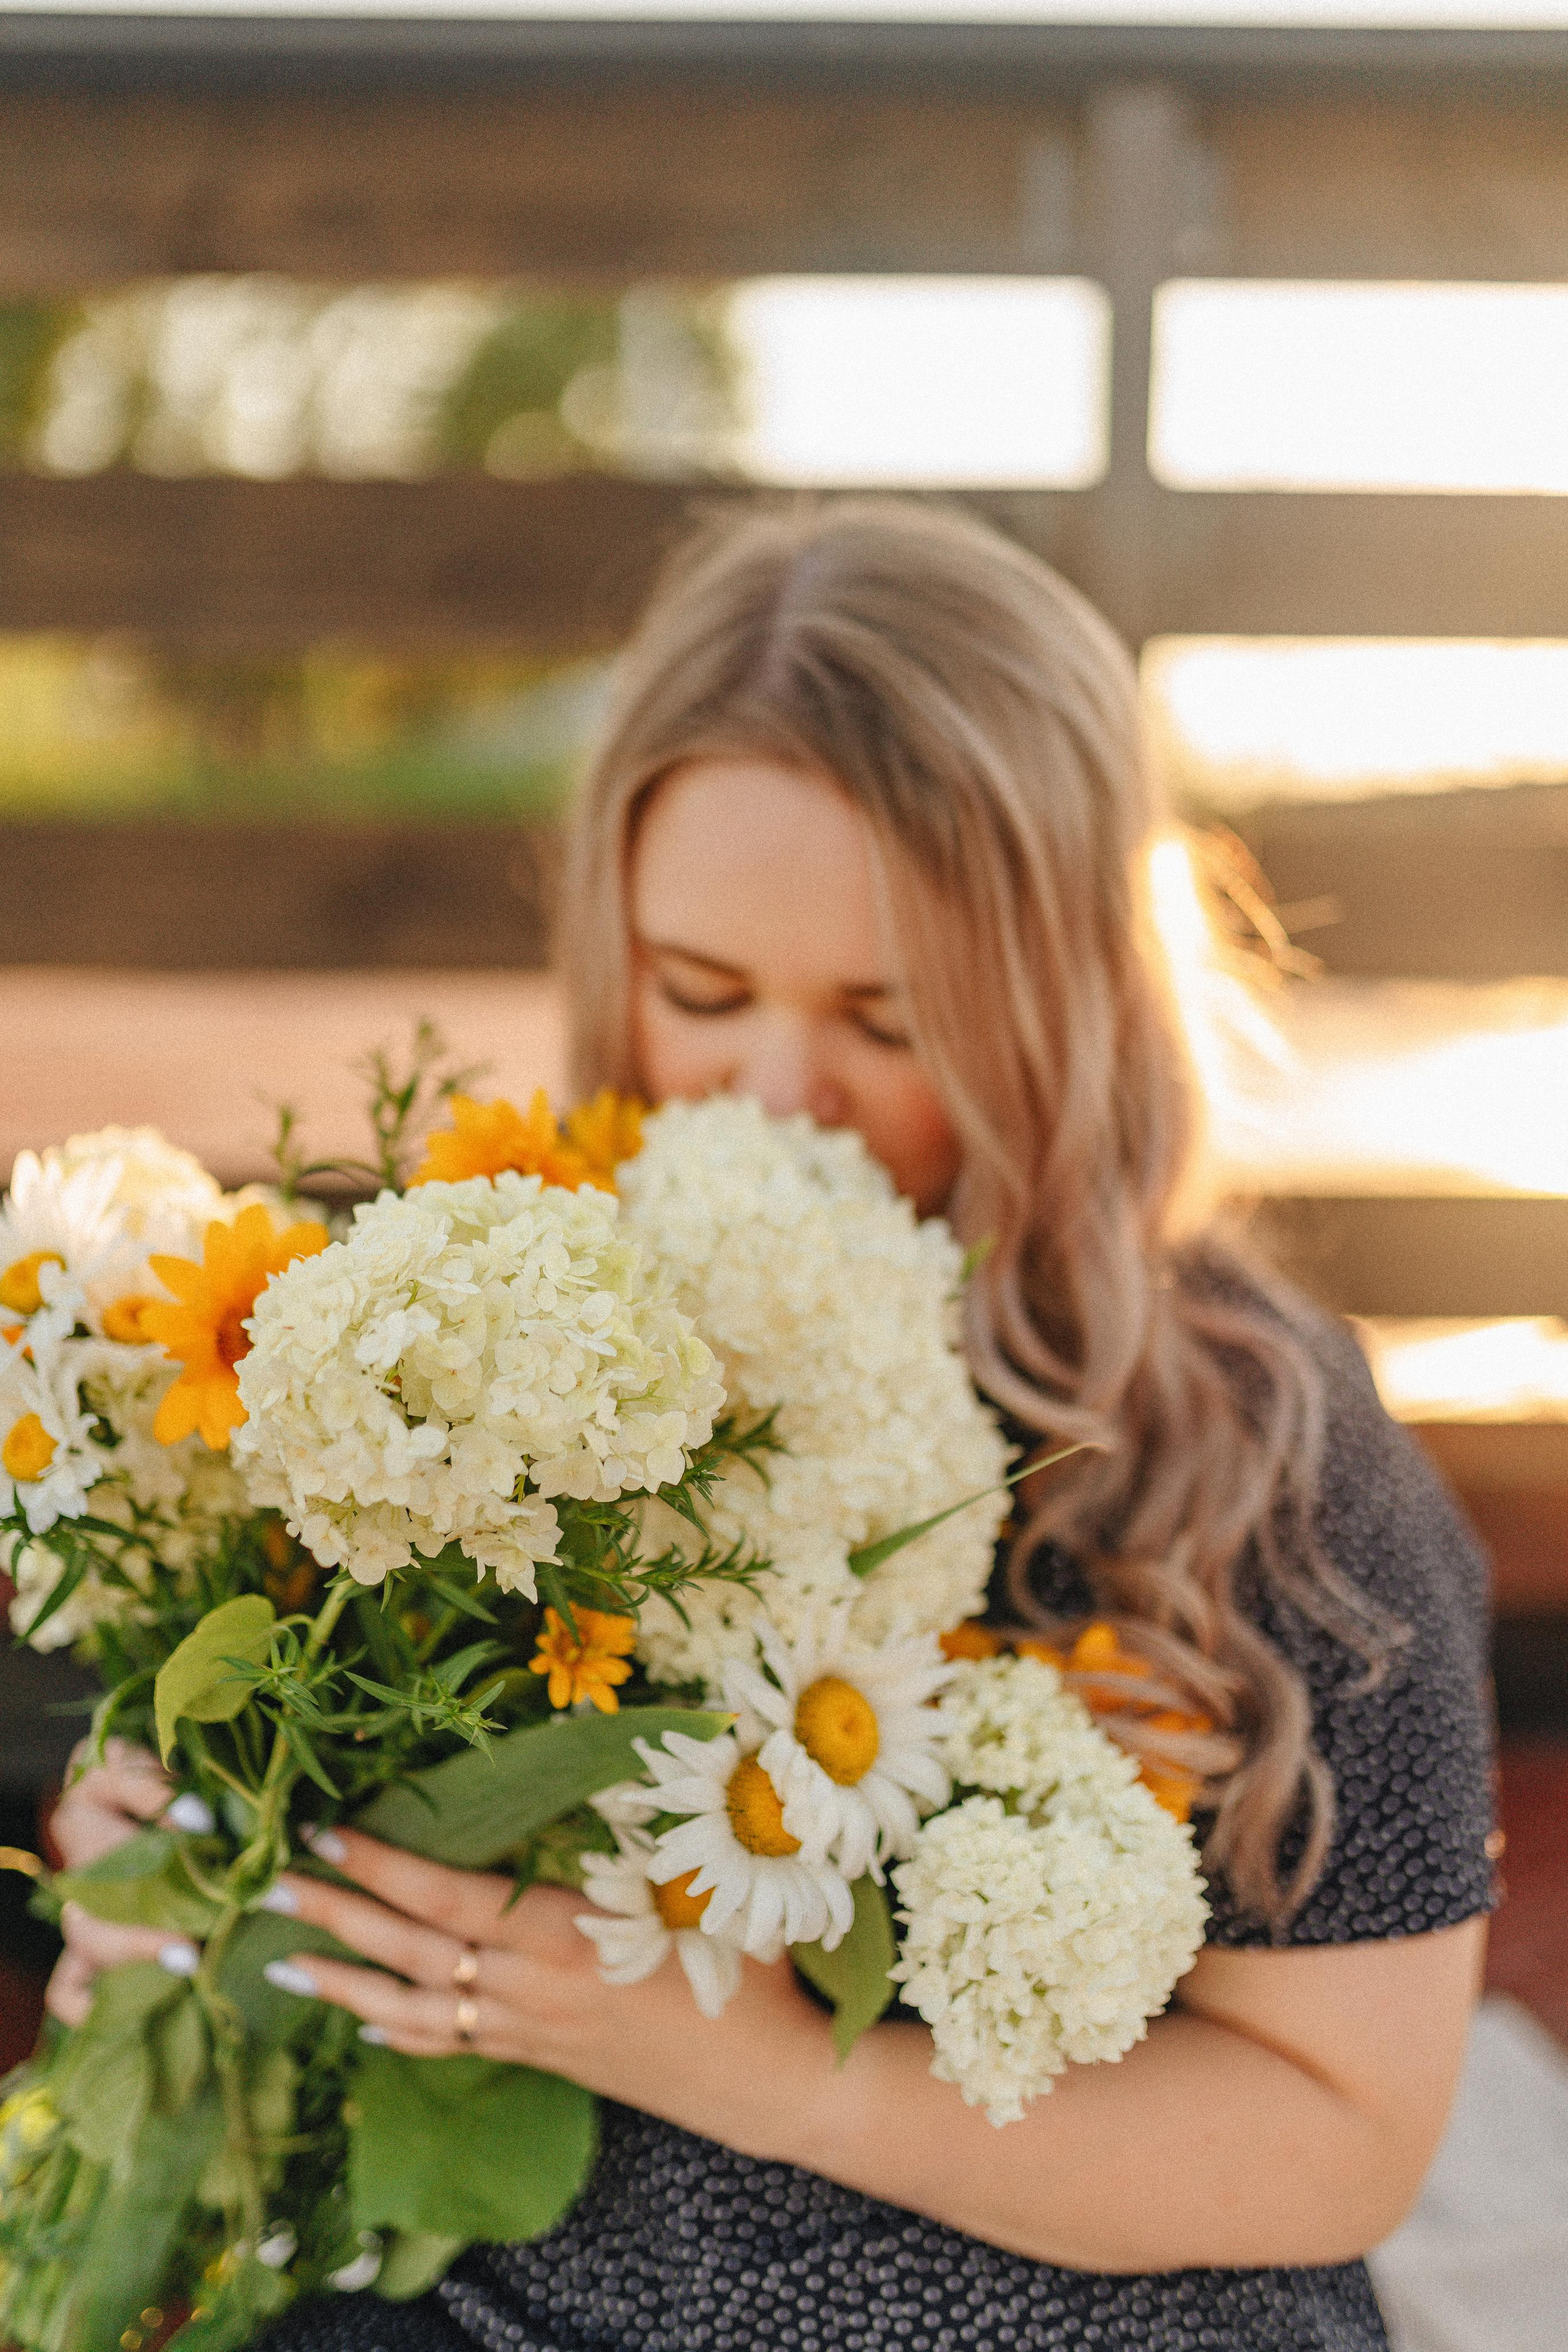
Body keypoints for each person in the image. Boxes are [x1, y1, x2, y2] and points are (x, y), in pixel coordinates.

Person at [47, 500, 1495, 2352]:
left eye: (892, 1020)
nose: (780, 1093)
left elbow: (1340, 2140)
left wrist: (752, 2071)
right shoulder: (507, 1352)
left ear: (1068, 1004)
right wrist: (197, 1871)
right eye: (702, 995)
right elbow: (353, 1939)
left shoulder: (1269, 1451)